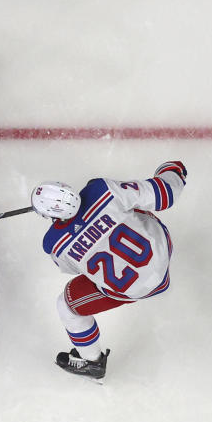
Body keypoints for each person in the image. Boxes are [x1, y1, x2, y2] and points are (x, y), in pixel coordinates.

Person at [31, 161, 187, 379]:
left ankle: (92, 362)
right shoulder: (101, 190)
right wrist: (173, 172)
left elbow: (74, 269)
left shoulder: (53, 245)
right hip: (161, 251)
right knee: (128, 205)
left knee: (67, 307)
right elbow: (165, 195)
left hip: (133, 289)